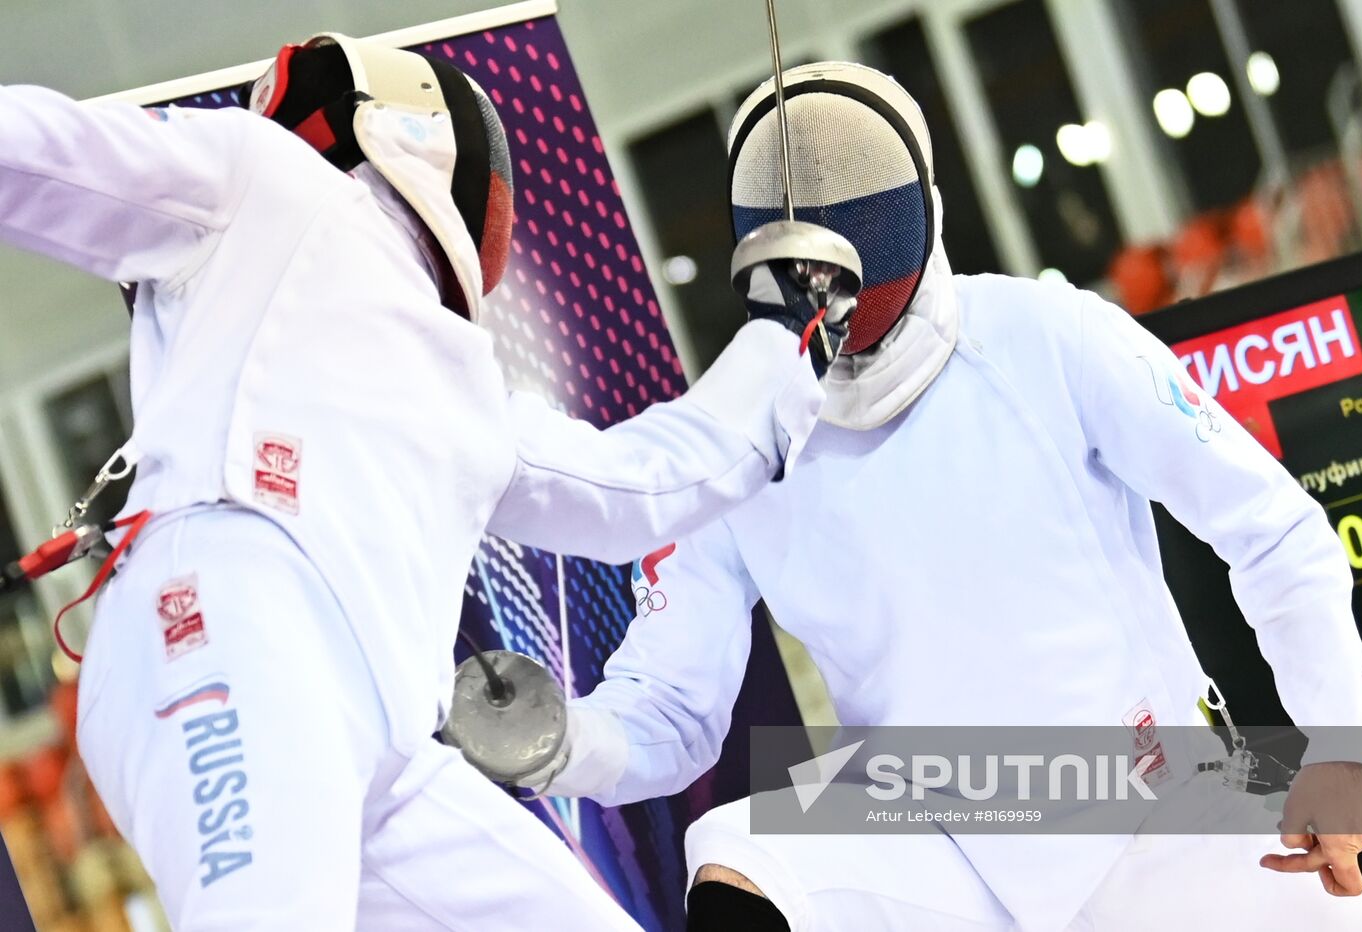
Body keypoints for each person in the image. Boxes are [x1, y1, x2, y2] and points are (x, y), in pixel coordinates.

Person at [0, 35, 848, 931]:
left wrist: (783, 338)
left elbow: (643, 486)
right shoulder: (261, 181)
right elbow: (33, 154)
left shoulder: (466, 389)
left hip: (388, 751)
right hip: (224, 632)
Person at [525, 63, 1362, 931]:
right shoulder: (734, 440)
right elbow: (672, 711)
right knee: (743, 865)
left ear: (915, 215)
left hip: (1155, 804)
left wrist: (1339, 745)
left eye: (859, 221)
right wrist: (560, 741)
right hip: (930, 837)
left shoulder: (1046, 334)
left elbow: (1271, 526)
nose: (834, 265)